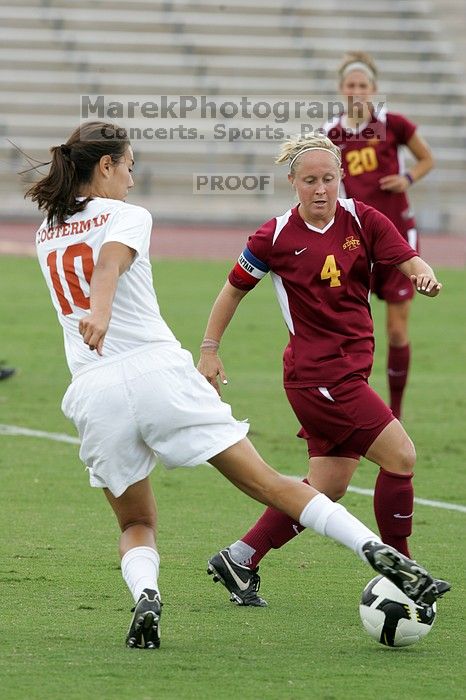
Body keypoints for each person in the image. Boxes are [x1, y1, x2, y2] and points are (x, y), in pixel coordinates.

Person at [26, 121, 447, 649]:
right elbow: (110, 263)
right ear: (107, 166)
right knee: (275, 482)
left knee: (137, 520)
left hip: (93, 390)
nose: (132, 180)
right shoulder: (129, 215)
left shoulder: (47, 230)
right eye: (129, 167)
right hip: (161, 375)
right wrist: (105, 312)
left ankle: (149, 596)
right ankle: (382, 555)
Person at [198, 134, 449, 608]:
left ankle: (240, 556)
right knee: (401, 456)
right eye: (309, 180)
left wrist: (421, 271)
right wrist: (210, 349)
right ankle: (402, 569)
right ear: (292, 182)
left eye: (328, 179)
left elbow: (405, 257)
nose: (320, 189)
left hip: (348, 373)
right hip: (318, 377)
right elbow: (232, 290)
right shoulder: (273, 236)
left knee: (328, 486)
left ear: (341, 179)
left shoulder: (363, 218)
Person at [323, 51, 434, 420]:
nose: (356, 91)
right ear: (341, 89)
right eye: (350, 85)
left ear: (373, 89)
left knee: (397, 330)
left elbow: (426, 159)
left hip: (399, 236)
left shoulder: (394, 124)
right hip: (357, 240)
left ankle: (395, 413)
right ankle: (355, 405)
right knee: (352, 326)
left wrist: (407, 178)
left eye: (363, 85)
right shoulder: (331, 133)